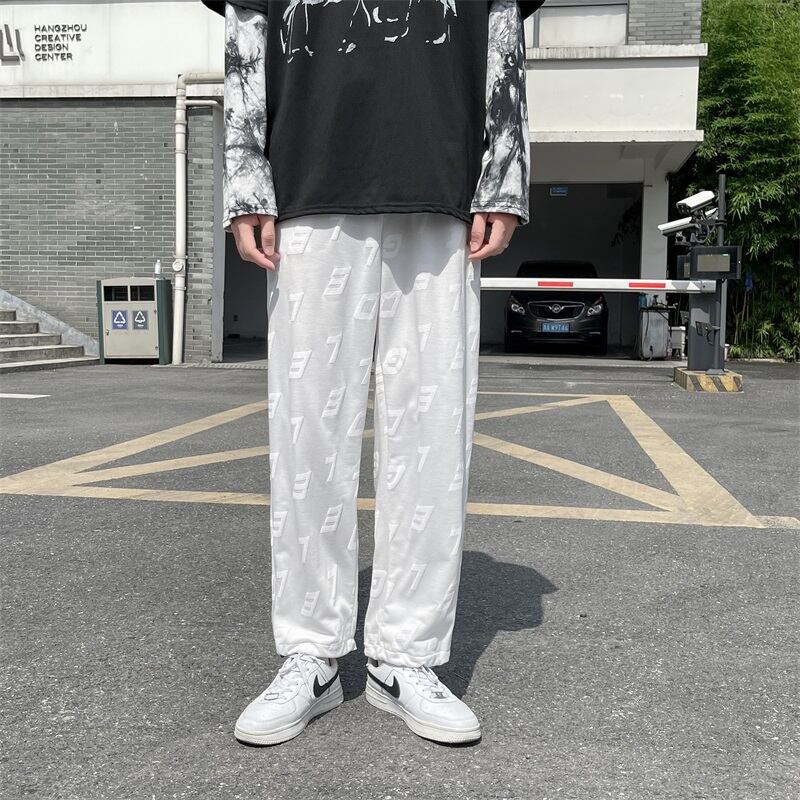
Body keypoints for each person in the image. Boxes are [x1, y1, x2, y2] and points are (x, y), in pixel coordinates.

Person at [200, 0, 543, 745]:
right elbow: (246, 29)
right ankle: (311, 652)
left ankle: (405, 656)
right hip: (310, 177)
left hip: (442, 182)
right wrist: (247, 179)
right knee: (307, 438)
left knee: (432, 433)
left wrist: (504, 174)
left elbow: (502, 23)